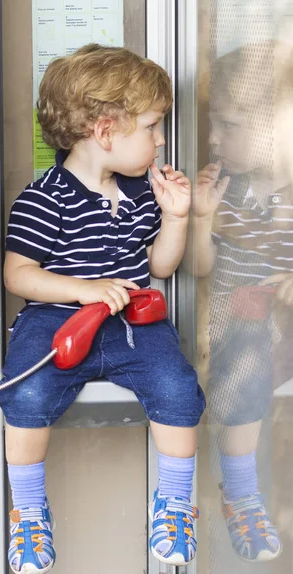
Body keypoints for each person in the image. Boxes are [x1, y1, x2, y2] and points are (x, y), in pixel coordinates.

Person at [0, 43, 205, 573]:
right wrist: (83, 289)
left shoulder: (139, 193)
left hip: (133, 322)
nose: (160, 140)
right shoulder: (46, 196)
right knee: (25, 394)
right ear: (107, 130)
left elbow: (160, 266)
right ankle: (28, 512)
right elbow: (17, 274)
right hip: (57, 321)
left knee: (179, 387)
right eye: (153, 127)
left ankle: (176, 503)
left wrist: (176, 217)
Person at [187, 41, 293, 564]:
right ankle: (241, 492)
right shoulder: (227, 189)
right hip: (239, 335)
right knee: (248, 345)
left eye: (229, 125)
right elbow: (201, 269)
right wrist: (202, 218)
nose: (212, 139)